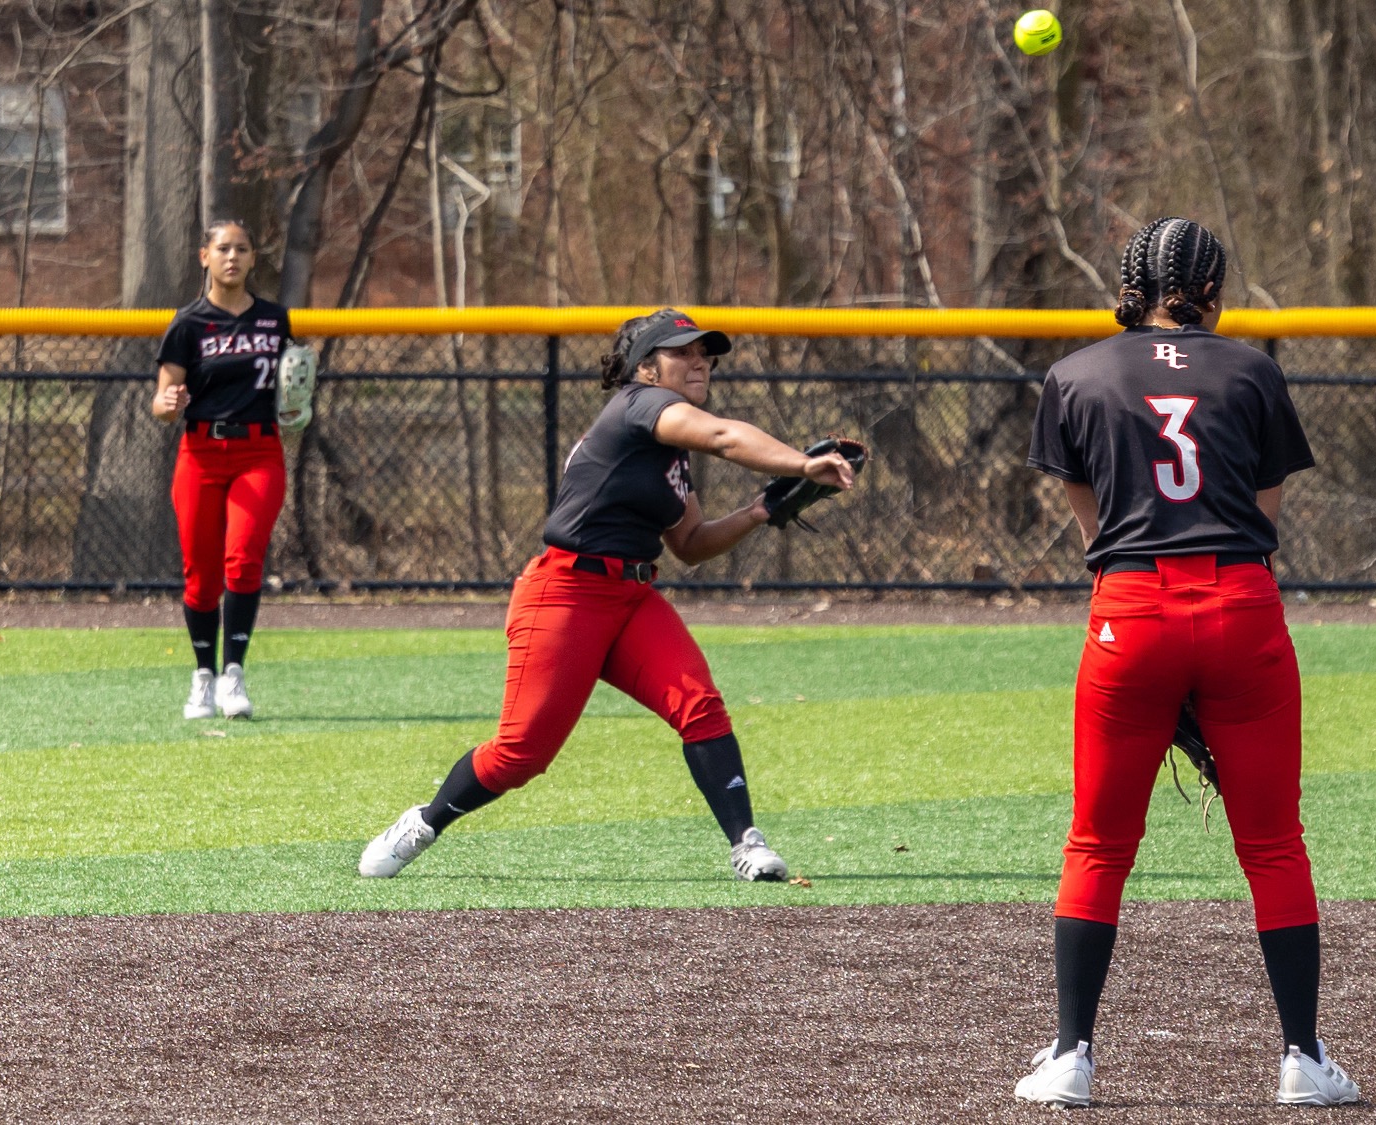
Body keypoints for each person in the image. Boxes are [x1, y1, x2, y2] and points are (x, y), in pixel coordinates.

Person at [1015, 218, 1360, 1108]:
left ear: (1130, 281)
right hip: (1241, 606)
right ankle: (1304, 1059)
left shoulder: (1075, 373)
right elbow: (1265, 517)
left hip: (1130, 608)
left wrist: (1136, 586)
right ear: (1213, 288)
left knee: (1098, 841)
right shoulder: (1252, 369)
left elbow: (1089, 519)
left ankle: (1069, 1057)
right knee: (1274, 843)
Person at [358, 308, 857, 881]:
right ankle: (424, 821)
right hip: (565, 594)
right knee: (521, 754)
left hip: (631, 597)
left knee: (699, 707)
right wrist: (801, 461)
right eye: (683, 351)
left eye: (706, 353)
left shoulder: (668, 446)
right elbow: (724, 435)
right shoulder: (639, 407)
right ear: (647, 367)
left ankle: (746, 842)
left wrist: (760, 510)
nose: (701, 360)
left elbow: (690, 544)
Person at [151, 219, 291, 721]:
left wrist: (298, 400)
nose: (232, 256)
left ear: (254, 259)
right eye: (223, 248)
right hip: (201, 452)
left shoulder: (275, 319)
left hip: (259, 452)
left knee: (243, 560)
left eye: (242, 248)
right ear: (203, 256)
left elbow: (290, 387)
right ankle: (202, 677)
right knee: (200, 575)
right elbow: (163, 403)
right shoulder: (188, 323)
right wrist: (168, 402)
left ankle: (233, 673)